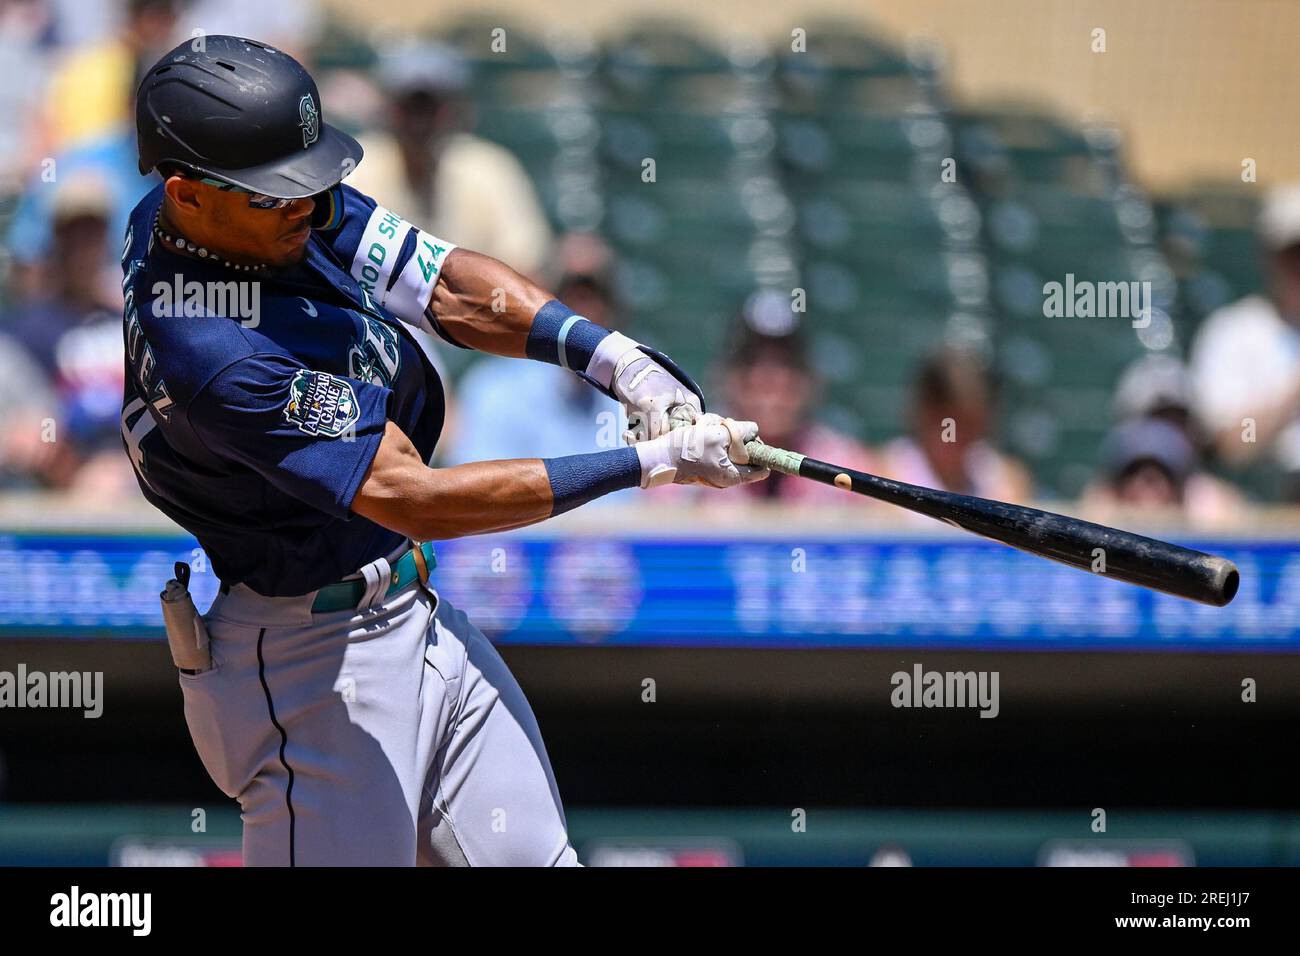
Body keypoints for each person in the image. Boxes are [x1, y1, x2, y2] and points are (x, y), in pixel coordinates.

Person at [123, 36, 766, 867]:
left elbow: (443, 283)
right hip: (309, 673)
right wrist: (647, 463)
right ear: (188, 195)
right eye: (278, 194)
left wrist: (613, 359)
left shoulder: (248, 217)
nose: (309, 206)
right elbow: (413, 494)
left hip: (413, 613)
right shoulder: (209, 350)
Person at [445, 234, 636, 505]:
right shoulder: (493, 392)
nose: (583, 315)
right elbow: (473, 502)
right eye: (568, 298)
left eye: (594, 298)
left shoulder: (637, 397)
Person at [344, 40, 553, 279]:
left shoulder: (488, 169)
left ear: (451, 109)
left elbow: (526, 269)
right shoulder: (357, 164)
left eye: (428, 107)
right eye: (410, 106)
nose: (419, 121)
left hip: (470, 311)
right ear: (390, 107)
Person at [715, 295, 875, 507]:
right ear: (729, 377)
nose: (770, 379)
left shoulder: (847, 468)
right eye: (751, 361)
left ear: (810, 378)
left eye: (787, 363)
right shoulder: (687, 468)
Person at [1189, 184, 1300, 485]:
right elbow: (1230, 448)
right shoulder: (1233, 332)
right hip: (1268, 507)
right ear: (1270, 258)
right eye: (1294, 255)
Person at [877, 347, 1031, 501]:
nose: (958, 436)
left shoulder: (1005, 479)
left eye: (970, 426)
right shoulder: (885, 473)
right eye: (949, 422)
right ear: (925, 414)